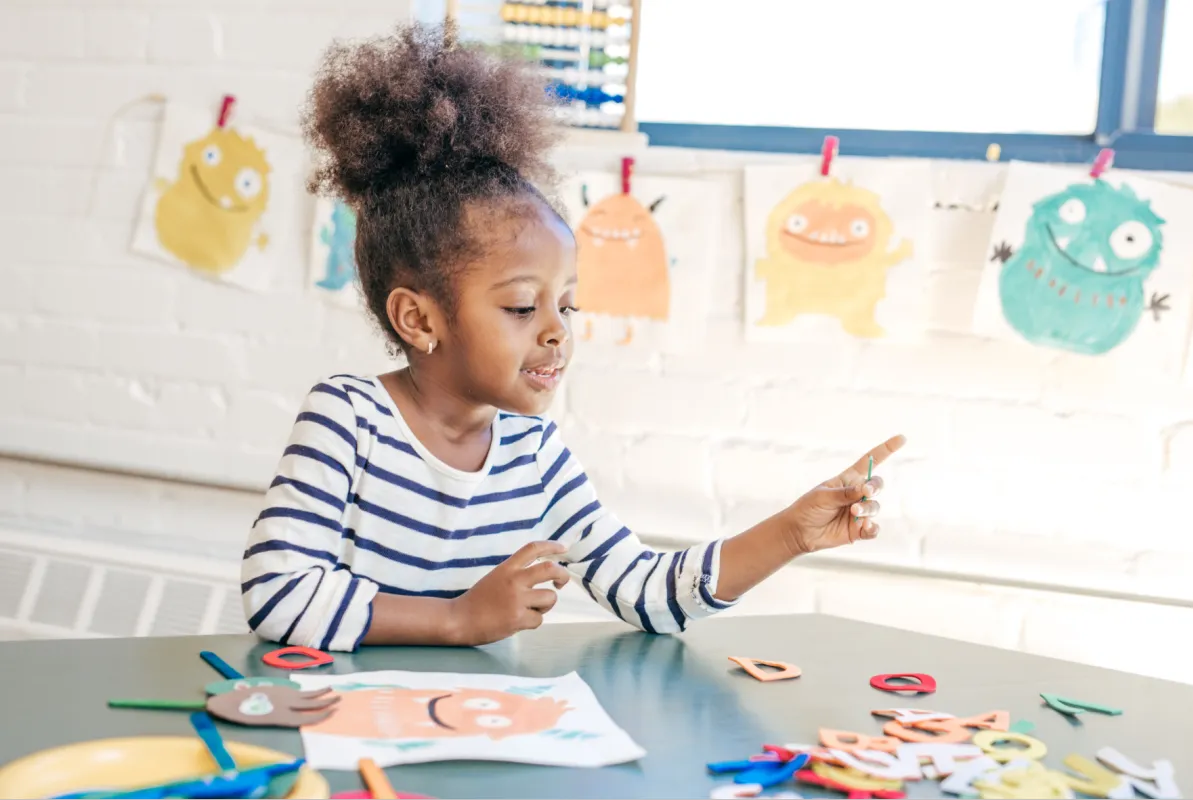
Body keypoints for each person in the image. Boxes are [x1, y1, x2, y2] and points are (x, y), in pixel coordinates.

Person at [241, 21, 905, 652]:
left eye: (568, 305)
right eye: (524, 307)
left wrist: (791, 532)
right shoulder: (350, 421)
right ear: (419, 319)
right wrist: (458, 618)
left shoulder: (533, 455)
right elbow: (277, 592)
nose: (558, 332)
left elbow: (646, 590)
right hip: (349, 730)